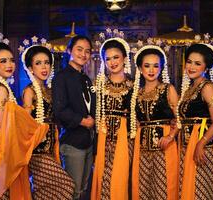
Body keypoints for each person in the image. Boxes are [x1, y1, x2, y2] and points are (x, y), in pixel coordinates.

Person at [0, 31, 48, 200]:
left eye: (11, 60)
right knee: (2, 192)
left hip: (0, 142)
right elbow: (4, 127)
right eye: (3, 61)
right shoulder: (1, 90)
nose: (9, 64)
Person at [19, 39, 75, 199]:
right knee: (66, 185)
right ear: (30, 68)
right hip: (37, 151)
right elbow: (26, 123)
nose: (44, 67)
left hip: (51, 147)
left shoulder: (50, 90)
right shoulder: (29, 91)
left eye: (47, 63)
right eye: (38, 63)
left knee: (46, 190)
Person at [131, 44, 179, 200]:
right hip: (142, 147)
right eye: (147, 66)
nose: (151, 70)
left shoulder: (168, 89)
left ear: (161, 68)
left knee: (164, 186)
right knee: (143, 186)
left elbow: (180, 118)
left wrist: (171, 136)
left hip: (165, 146)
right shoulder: (136, 93)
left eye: (155, 66)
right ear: (140, 68)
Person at [177, 43, 213, 200]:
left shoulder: (208, 88)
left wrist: (200, 144)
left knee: (202, 193)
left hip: (205, 148)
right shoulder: (191, 88)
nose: (191, 66)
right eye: (189, 62)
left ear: (206, 67)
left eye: (197, 63)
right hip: (188, 145)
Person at [91, 32, 134, 200]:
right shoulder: (99, 84)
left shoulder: (134, 84)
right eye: (108, 59)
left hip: (125, 136)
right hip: (103, 135)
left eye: (116, 57)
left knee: (120, 178)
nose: (112, 62)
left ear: (124, 58)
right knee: (103, 177)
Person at [53, 35, 96, 200]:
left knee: (83, 188)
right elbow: (60, 109)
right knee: (72, 189)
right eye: (79, 49)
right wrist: (83, 121)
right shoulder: (61, 77)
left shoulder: (85, 78)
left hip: (88, 141)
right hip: (72, 142)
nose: (83, 54)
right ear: (69, 50)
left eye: (87, 51)